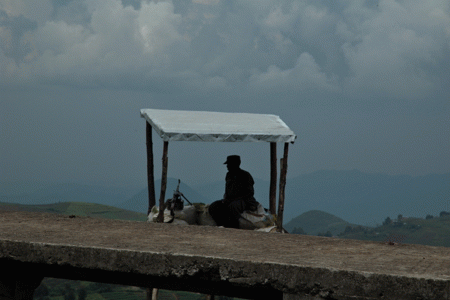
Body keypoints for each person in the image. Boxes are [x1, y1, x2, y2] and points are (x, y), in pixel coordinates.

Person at [208, 155, 258, 228]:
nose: (227, 166)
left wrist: (233, 199)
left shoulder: (245, 175)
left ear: (236, 164)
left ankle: (234, 226)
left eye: (229, 164)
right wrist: (225, 199)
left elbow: (250, 193)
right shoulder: (228, 175)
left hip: (245, 200)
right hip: (230, 200)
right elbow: (227, 190)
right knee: (214, 206)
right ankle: (221, 224)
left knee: (233, 206)